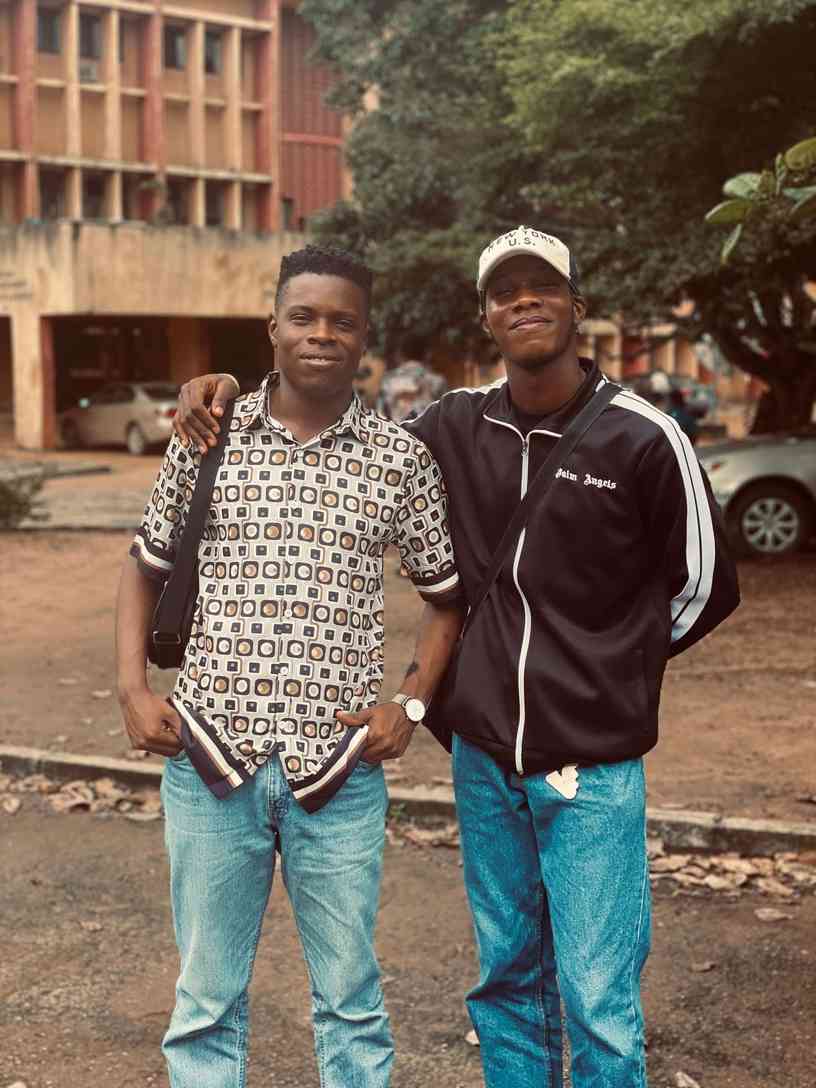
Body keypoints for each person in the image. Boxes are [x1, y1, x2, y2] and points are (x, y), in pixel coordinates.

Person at [173, 225, 740, 1088]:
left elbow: (703, 585)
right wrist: (220, 390)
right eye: (505, 291)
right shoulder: (452, 424)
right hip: (483, 754)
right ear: (486, 316)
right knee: (507, 978)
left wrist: (608, 670)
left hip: (592, 762)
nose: (525, 301)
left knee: (598, 994)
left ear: (577, 306)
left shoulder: (643, 434)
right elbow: (337, 430)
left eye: (542, 287)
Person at [115, 244, 464, 1088]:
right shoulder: (208, 434)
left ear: (365, 336)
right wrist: (131, 686)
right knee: (205, 1000)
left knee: (350, 999)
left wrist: (411, 704)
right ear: (271, 327)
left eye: (342, 321)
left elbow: (446, 597)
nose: (321, 334)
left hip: (337, 769)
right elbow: (145, 564)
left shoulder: (400, 458)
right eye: (303, 317)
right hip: (210, 755)